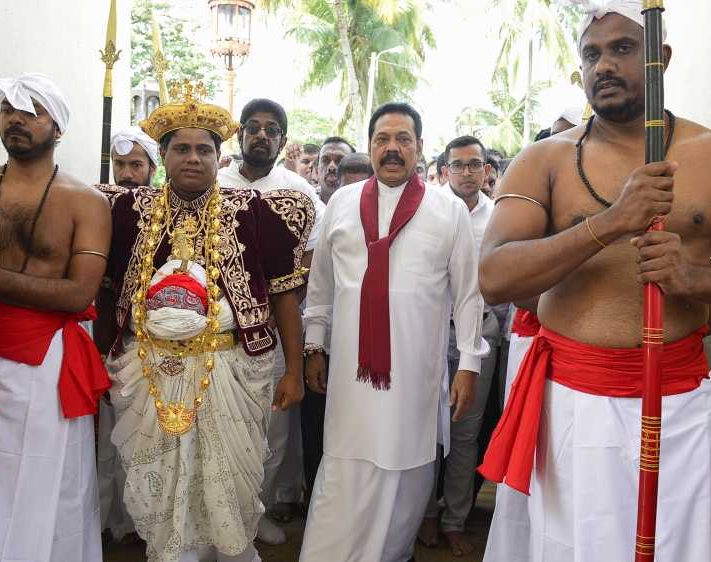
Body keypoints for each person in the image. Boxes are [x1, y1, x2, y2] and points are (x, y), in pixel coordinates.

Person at [479, 2, 711, 561]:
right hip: (571, 406)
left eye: (622, 48)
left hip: (680, 407)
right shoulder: (542, 161)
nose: (604, 66)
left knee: (678, 549)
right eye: (591, 54)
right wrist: (611, 221)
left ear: (660, 59)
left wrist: (695, 280)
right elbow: (494, 278)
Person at [94, 81, 314, 562]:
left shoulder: (259, 212)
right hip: (147, 368)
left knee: (226, 477)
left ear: (221, 157)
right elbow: (106, 292)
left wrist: (294, 371)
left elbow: (284, 300)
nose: (192, 158)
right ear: (165, 156)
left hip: (230, 367)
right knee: (161, 475)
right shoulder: (127, 211)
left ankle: (233, 553)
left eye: (203, 150)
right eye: (180, 149)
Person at [300, 102, 487, 562]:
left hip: (414, 379)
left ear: (420, 148)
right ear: (369, 145)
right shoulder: (340, 205)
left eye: (404, 139)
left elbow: (468, 295)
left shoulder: (447, 210)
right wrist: (313, 347)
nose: (392, 149)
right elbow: (321, 285)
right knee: (341, 474)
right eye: (383, 139)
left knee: (406, 477)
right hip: (349, 378)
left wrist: (468, 365)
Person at [0, 73, 112, 562]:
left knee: (54, 480)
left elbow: (77, 294)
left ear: (58, 127)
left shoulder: (86, 201)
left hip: (45, 361)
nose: (16, 120)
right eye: (8, 109)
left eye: (32, 112)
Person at [217, 97, 326, 545]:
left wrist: (269, 300)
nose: (262, 135)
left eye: (272, 129)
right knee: (218, 421)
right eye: (254, 127)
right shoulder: (213, 181)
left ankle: (252, 516)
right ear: (240, 135)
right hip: (217, 328)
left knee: (271, 426)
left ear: (283, 140)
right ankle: (213, 520)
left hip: (278, 326)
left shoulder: (300, 192)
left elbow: (311, 258)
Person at [416, 136, 499, 557]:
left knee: (466, 433)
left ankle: (455, 520)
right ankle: (425, 512)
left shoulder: (501, 216)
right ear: (444, 170)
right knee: (427, 429)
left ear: (486, 170)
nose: (467, 172)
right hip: (428, 335)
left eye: (475, 164)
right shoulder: (426, 209)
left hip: (480, 335)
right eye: (458, 165)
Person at [99, 126, 161, 547]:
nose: (126, 173)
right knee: (108, 437)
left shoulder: (167, 213)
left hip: (153, 346)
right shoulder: (97, 205)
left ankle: (146, 527)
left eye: (136, 164)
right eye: (119, 164)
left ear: (153, 169)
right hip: (107, 335)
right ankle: (106, 521)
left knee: (145, 440)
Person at [317, 136, 355, 204]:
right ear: (317, 170)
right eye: (325, 160)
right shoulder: (304, 200)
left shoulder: (362, 202)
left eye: (340, 161)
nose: (331, 167)